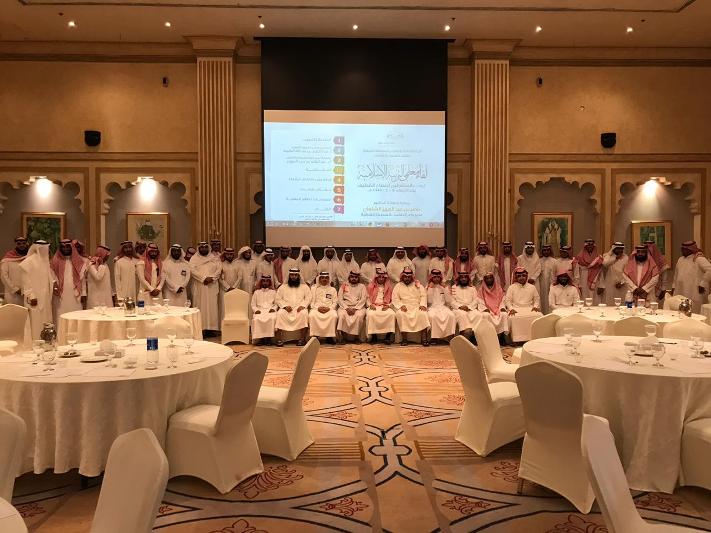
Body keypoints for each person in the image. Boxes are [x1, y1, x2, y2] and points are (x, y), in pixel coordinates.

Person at [21, 241, 54, 338]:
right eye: (44, 249)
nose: (46, 251)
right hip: (34, 299)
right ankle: (35, 341)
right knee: (35, 321)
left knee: (46, 320)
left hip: (45, 298)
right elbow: (25, 281)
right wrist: (31, 296)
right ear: (38, 249)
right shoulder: (28, 262)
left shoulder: (45, 261)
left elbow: (48, 278)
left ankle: (46, 341)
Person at [190, 241, 221, 336]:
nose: (204, 249)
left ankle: (212, 329)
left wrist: (212, 278)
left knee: (212, 307)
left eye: (205, 247)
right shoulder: (194, 259)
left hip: (212, 286)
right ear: (199, 248)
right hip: (200, 286)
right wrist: (203, 278)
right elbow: (192, 270)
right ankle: (201, 329)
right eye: (202, 247)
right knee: (200, 306)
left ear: (208, 248)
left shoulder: (214, 258)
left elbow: (219, 269)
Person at [392, 266, 430, 346]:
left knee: (423, 314)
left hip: (416, 306)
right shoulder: (398, 285)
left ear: (412, 277)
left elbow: (423, 295)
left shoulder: (418, 285)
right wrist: (401, 306)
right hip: (404, 306)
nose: (407, 279)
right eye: (405, 277)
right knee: (401, 314)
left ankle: (424, 339)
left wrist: (422, 304)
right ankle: (404, 339)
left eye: (409, 277)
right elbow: (395, 298)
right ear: (402, 277)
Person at [672, 240, 711, 313]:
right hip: (680, 290)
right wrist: (673, 287)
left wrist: (703, 284)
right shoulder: (680, 259)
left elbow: (709, 270)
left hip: (694, 292)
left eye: (684, 249)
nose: (682, 251)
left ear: (690, 250)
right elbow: (676, 275)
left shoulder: (699, 259)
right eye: (682, 249)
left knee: (695, 313)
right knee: (680, 312)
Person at [275, 267, 311, 346]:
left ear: (298, 276)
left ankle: (302, 339)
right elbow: (278, 299)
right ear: (289, 276)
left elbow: (308, 298)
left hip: (299, 308)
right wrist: (284, 306)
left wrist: (303, 306)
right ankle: (279, 339)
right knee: (280, 313)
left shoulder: (305, 287)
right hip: (287, 308)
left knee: (304, 313)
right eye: (292, 275)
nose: (294, 277)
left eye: (295, 275)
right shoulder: (283, 287)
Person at [505, 267, 542, 343]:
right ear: (516, 277)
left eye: (523, 275)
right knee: (513, 318)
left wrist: (535, 306)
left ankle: (535, 337)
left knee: (539, 315)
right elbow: (508, 300)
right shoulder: (512, 287)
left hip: (529, 308)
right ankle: (517, 340)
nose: (521, 277)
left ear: (526, 276)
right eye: (519, 276)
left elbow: (537, 298)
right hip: (516, 309)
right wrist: (511, 309)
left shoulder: (532, 287)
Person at [51, 239, 87, 317]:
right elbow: (51, 276)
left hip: (75, 294)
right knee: (60, 315)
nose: (65, 249)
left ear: (71, 247)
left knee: (75, 314)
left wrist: (84, 293)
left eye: (67, 247)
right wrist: (54, 284)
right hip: (60, 295)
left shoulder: (79, 261)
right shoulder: (55, 261)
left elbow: (82, 279)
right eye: (63, 247)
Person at [450, 270, 484, 340]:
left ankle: (474, 335)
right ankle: (464, 335)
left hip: (470, 308)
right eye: (462, 277)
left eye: (465, 277)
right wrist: (460, 306)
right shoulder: (454, 287)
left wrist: (469, 307)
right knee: (462, 314)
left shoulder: (472, 288)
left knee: (478, 315)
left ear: (468, 279)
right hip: (458, 309)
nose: (463, 279)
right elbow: (452, 300)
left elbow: (476, 300)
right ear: (459, 279)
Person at [366, 268, 396, 344]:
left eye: (383, 277)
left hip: (385, 305)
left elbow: (393, 299)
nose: (381, 279)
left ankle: (388, 337)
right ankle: (374, 336)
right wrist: (370, 305)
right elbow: (366, 298)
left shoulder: (389, 287)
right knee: (371, 314)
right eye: (379, 277)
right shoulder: (370, 286)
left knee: (391, 314)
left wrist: (388, 306)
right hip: (373, 305)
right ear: (376, 278)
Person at [426, 269, 456, 343]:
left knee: (451, 315)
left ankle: (450, 338)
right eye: (435, 277)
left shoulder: (444, 287)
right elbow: (429, 301)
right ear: (431, 278)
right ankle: (434, 338)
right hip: (432, 307)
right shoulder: (427, 287)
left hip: (443, 307)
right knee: (433, 317)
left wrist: (445, 288)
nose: (436, 279)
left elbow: (448, 300)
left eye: (438, 277)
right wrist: (431, 289)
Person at [337, 270, 367, 343]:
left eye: (356, 277)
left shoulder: (362, 286)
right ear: (349, 277)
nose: (354, 278)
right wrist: (347, 308)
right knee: (342, 315)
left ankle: (356, 337)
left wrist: (355, 308)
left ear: (358, 278)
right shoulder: (344, 285)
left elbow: (363, 299)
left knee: (359, 316)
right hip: (345, 307)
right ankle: (343, 338)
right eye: (352, 277)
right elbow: (340, 298)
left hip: (358, 307)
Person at [478, 271, 509, 341]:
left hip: (498, 309)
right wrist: (484, 308)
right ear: (484, 280)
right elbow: (480, 301)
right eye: (487, 278)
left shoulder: (498, 288)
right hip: (488, 310)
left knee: (504, 314)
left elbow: (502, 300)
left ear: (493, 279)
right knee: (485, 315)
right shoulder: (481, 289)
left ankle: (504, 338)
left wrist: (502, 307)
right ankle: (488, 338)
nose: (489, 280)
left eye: (490, 278)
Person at [309, 271, 338, 343]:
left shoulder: (333, 289)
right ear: (319, 279)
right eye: (322, 278)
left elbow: (335, 302)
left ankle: (329, 336)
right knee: (312, 315)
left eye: (326, 278)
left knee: (334, 316)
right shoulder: (314, 289)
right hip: (316, 308)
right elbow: (311, 302)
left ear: (329, 279)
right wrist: (317, 308)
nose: (324, 279)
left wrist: (329, 308)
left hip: (329, 309)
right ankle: (315, 336)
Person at [573, 239, 605, 305]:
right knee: (584, 298)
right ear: (585, 246)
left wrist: (601, 285)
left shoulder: (598, 258)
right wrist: (577, 284)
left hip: (595, 281)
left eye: (591, 245)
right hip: (583, 281)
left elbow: (601, 272)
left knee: (595, 299)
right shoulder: (579, 257)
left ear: (594, 246)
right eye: (588, 245)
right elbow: (577, 273)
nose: (590, 247)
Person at [1, 236, 29, 306]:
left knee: (26, 312)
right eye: (19, 243)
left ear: (26, 244)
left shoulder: (29, 258)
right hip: (12, 294)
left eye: (23, 243)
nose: (21, 245)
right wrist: (15, 289)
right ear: (16, 244)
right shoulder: (7, 259)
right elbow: (4, 276)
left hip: (26, 292)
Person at [251, 275, 277, 346]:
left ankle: (268, 339)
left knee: (272, 318)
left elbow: (276, 303)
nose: (265, 283)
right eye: (264, 281)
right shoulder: (256, 292)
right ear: (261, 282)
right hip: (259, 310)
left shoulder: (273, 292)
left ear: (269, 282)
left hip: (270, 310)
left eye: (267, 281)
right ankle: (260, 339)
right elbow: (253, 304)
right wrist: (256, 310)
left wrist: (273, 309)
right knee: (257, 319)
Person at [219, 247, 242, 322]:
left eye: (231, 254)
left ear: (233, 255)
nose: (229, 256)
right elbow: (220, 278)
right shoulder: (221, 264)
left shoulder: (238, 264)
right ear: (225, 255)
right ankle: (223, 326)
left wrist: (234, 288)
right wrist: (228, 287)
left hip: (235, 290)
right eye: (228, 254)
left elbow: (240, 277)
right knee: (224, 308)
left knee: (235, 307)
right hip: (224, 290)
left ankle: (234, 324)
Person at [602, 242, 628, 306]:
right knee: (610, 303)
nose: (619, 250)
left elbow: (628, 272)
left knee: (622, 304)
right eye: (617, 248)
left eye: (621, 249)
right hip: (610, 284)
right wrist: (615, 258)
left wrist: (622, 282)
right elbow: (605, 264)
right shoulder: (607, 256)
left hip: (622, 285)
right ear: (613, 248)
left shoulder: (626, 257)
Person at [539, 244, 557, 314]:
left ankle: (550, 313)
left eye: (548, 250)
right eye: (544, 250)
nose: (546, 252)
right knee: (542, 298)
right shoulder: (539, 261)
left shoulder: (555, 261)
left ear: (550, 251)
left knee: (551, 298)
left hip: (552, 283)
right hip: (542, 283)